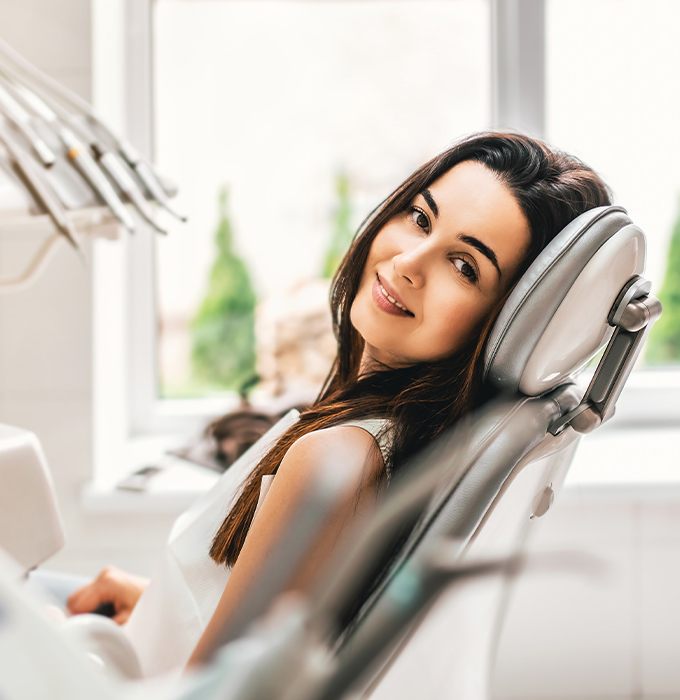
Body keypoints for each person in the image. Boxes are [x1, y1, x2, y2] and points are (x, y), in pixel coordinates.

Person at [65, 130, 613, 676]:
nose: (408, 263)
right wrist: (156, 607)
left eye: (464, 266)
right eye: (420, 218)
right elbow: (291, 635)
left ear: (504, 323)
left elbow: (213, 696)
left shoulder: (339, 461)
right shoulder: (399, 444)